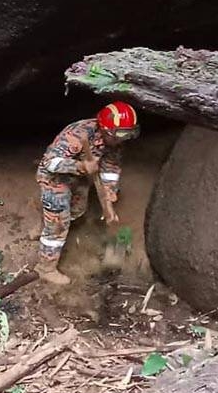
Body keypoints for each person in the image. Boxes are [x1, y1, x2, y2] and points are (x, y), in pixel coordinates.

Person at [35, 101, 140, 285]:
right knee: (58, 224)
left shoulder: (114, 141)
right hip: (55, 180)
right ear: (106, 129)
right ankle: (46, 268)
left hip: (78, 181)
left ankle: (51, 226)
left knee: (77, 210)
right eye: (122, 133)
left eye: (129, 133)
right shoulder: (78, 134)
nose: (124, 138)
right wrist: (80, 166)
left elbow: (111, 166)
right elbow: (50, 163)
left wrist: (109, 190)